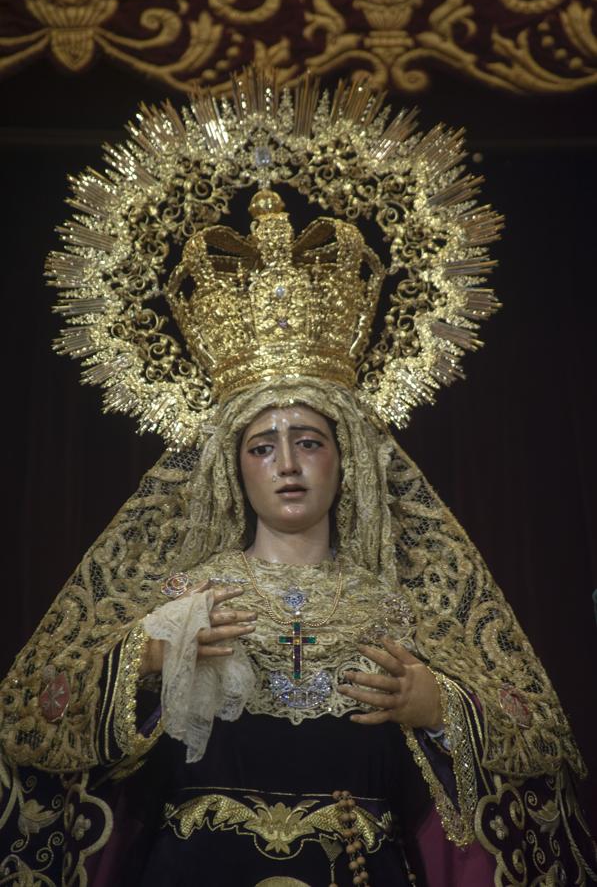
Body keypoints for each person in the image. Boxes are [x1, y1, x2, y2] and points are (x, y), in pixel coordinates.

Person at [1, 68, 595, 886]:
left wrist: (440, 708)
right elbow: (29, 723)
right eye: (260, 445)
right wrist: (139, 658)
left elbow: (541, 744)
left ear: (345, 458)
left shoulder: (401, 600)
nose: (285, 462)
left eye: (308, 441)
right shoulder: (181, 596)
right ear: (229, 469)